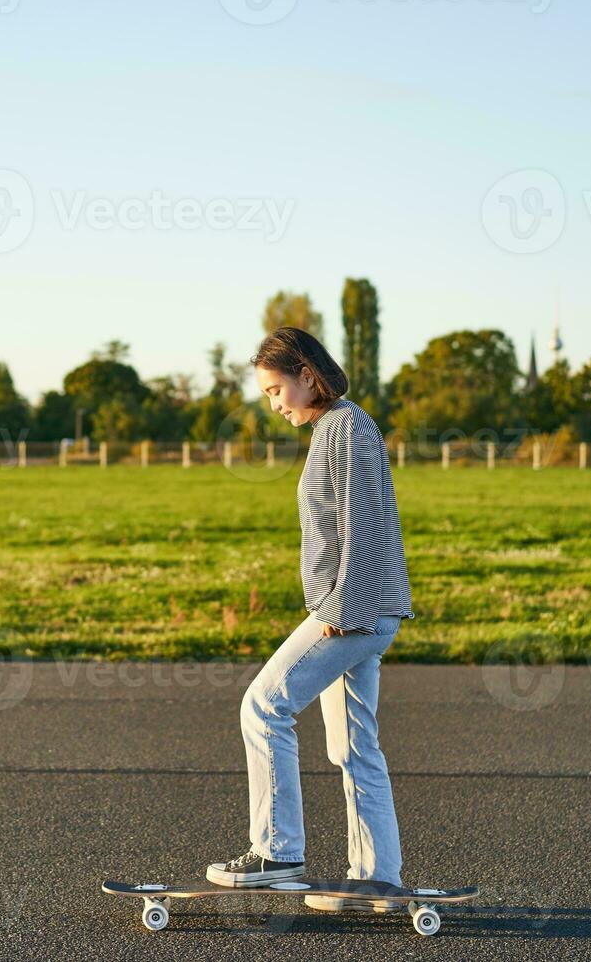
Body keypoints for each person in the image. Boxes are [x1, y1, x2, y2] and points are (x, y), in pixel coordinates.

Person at [204, 326, 415, 914]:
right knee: (353, 745)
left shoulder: (345, 428)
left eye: (277, 391)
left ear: (308, 376)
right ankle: (377, 877)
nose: (274, 405)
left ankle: (276, 853)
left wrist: (342, 612)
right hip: (364, 610)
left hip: (354, 612)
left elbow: (366, 525)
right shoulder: (337, 428)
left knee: (263, 705)